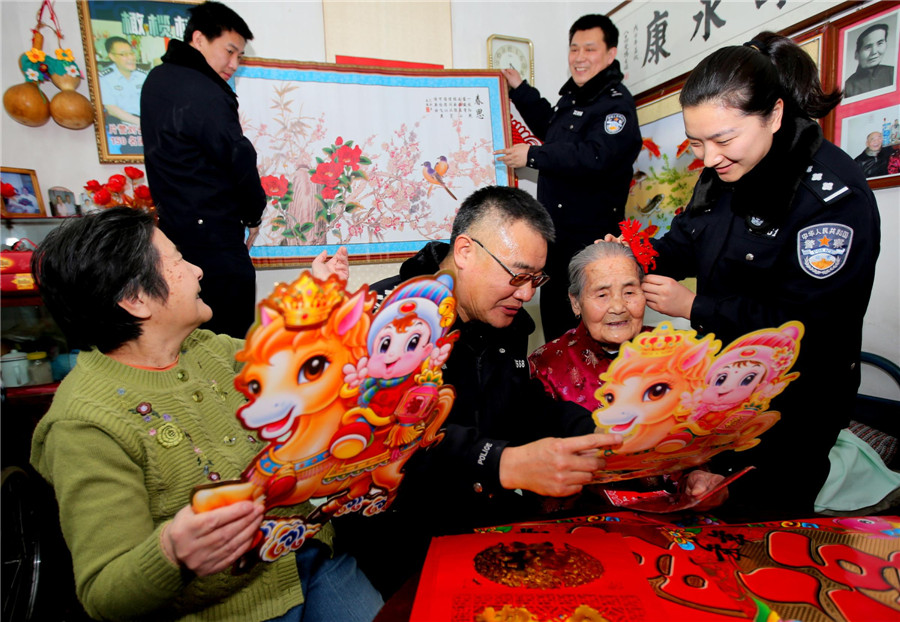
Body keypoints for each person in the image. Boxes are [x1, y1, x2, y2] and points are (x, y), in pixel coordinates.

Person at [29, 207, 379, 622]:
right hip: (226, 607)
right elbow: (104, 593)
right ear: (136, 299)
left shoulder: (204, 348)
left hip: (311, 556)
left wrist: (319, 297)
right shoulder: (84, 423)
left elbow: (285, 360)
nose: (197, 271)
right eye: (178, 261)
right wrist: (171, 553)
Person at [333, 186, 624, 598]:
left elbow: (519, 405)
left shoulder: (505, 322)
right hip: (400, 537)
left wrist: (595, 429)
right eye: (518, 275)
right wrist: (503, 462)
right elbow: (394, 440)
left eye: (536, 279)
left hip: (484, 522)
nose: (526, 294)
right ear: (466, 251)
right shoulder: (390, 317)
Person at [636, 32, 881, 521]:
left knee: (766, 522)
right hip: (724, 388)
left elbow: (807, 326)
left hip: (795, 401)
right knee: (702, 513)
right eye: (698, 142)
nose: (708, 158)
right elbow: (687, 240)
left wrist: (693, 308)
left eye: (722, 140)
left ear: (773, 114)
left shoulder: (830, 199)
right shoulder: (724, 169)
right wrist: (631, 257)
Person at [528, 242, 726, 506]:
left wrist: (700, 477)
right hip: (582, 520)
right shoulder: (545, 365)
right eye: (602, 295)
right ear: (575, 302)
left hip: (674, 516)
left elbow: (701, 445)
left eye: (630, 291)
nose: (618, 307)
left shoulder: (677, 354)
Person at [494, 14, 641, 343]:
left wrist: (533, 155)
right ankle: (558, 394)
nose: (579, 57)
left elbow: (595, 156)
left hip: (590, 243)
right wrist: (520, 89)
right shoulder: (574, 98)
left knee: (591, 333)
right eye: (574, 48)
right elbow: (552, 130)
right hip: (557, 240)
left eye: (590, 49)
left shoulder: (616, 106)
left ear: (610, 53)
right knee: (557, 331)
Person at [141, 1, 266, 339]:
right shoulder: (202, 89)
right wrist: (254, 214)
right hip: (213, 239)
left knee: (190, 335)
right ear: (198, 38)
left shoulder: (158, 79)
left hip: (177, 233)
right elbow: (238, 155)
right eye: (229, 51)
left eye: (239, 55)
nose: (233, 64)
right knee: (227, 337)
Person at [99, 36, 145, 127]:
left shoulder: (143, 76)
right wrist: (140, 123)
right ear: (112, 56)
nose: (130, 58)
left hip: (145, 123)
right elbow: (111, 109)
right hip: (120, 125)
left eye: (131, 53)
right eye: (123, 54)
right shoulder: (104, 78)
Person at [844, 23, 895, 97]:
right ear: (856, 54)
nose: (874, 52)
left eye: (880, 43)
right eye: (868, 47)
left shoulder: (893, 73)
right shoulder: (848, 86)